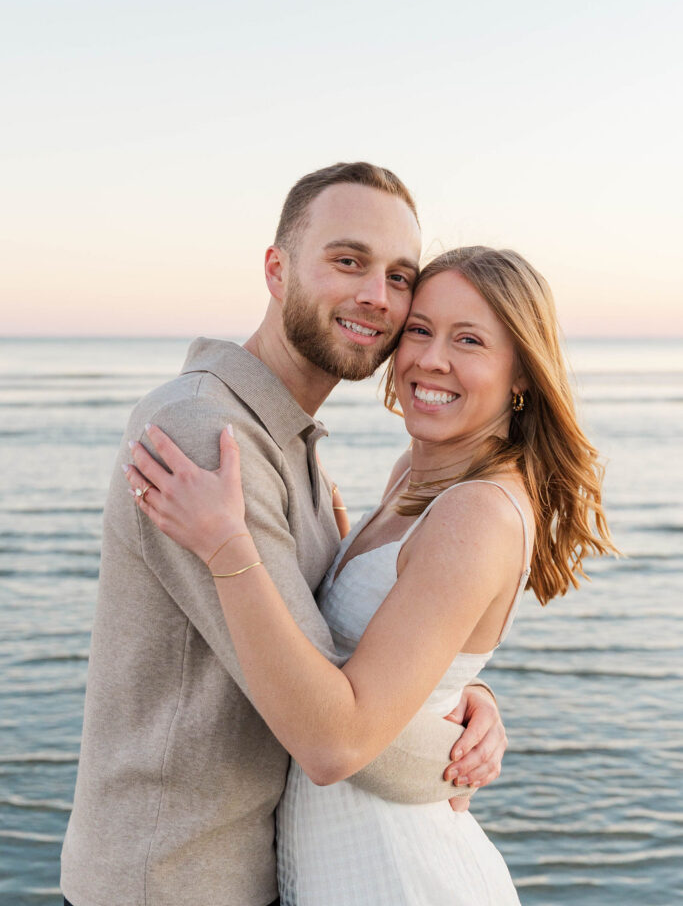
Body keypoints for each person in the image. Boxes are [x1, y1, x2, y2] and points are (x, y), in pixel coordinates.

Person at [60, 164, 507, 906]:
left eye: (400, 276)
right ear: (276, 269)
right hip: (167, 885)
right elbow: (335, 730)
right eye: (347, 261)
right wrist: (458, 754)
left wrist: (469, 692)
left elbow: (329, 647)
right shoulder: (205, 434)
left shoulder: (286, 444)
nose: (377, 296)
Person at [124, 244, 616, 904]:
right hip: (342, 862)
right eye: (420, 329)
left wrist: (225, 547)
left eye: (468, 339)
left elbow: (337, 745)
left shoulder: (477, 511)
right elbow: (401, 650)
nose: (430, 358)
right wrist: (467, 698)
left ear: (521, 372)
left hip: (403, 875)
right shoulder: (413, 477)